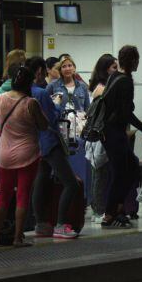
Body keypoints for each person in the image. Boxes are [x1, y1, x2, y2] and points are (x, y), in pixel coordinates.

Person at [0, 66, 48, 247]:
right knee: (22, 195)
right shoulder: (30, 103)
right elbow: (43, 125)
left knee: (3, 196)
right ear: (29, 82)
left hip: (5, 155)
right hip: (28, 154)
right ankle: (18, 238)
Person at [100, 46, 142, 228]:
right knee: (125, 171)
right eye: (137, 59)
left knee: (126, 169)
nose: (138, 62)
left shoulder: (114, 77)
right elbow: (126, 113)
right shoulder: (125, 82)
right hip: (115, 132)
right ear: (133, 61)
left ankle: (116, 210)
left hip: (108, 132)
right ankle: (111, 213)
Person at [28, 58, 80, 240]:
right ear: (39, 71)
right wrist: (57, 104)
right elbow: (52, 116)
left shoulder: (23, 93)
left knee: (41, 180)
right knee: (70, 183)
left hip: (37, 143)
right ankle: (61, 224)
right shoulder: (41, 93)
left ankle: (41, 223)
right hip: (50, 141)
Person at [47, 54, 92, 201]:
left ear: (74, 68)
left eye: (70, 65)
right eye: (64, 66)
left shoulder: (83, 87)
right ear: (60, 69)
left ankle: (82, 194)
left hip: (80, 127)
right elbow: (47, 107)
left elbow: (87, 109)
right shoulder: (53, 86)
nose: (67, 68)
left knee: (80, 157)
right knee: (66, 158)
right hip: (62, 127)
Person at [87, 54, 119, 220]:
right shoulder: (101, 89)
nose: (117, 70)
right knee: (100, 174)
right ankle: (98, 210)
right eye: (114, 67)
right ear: (106, 69)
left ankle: (100, 208)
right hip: (101, 136)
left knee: (103, 174)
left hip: (105, 135)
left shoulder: (106, 86)